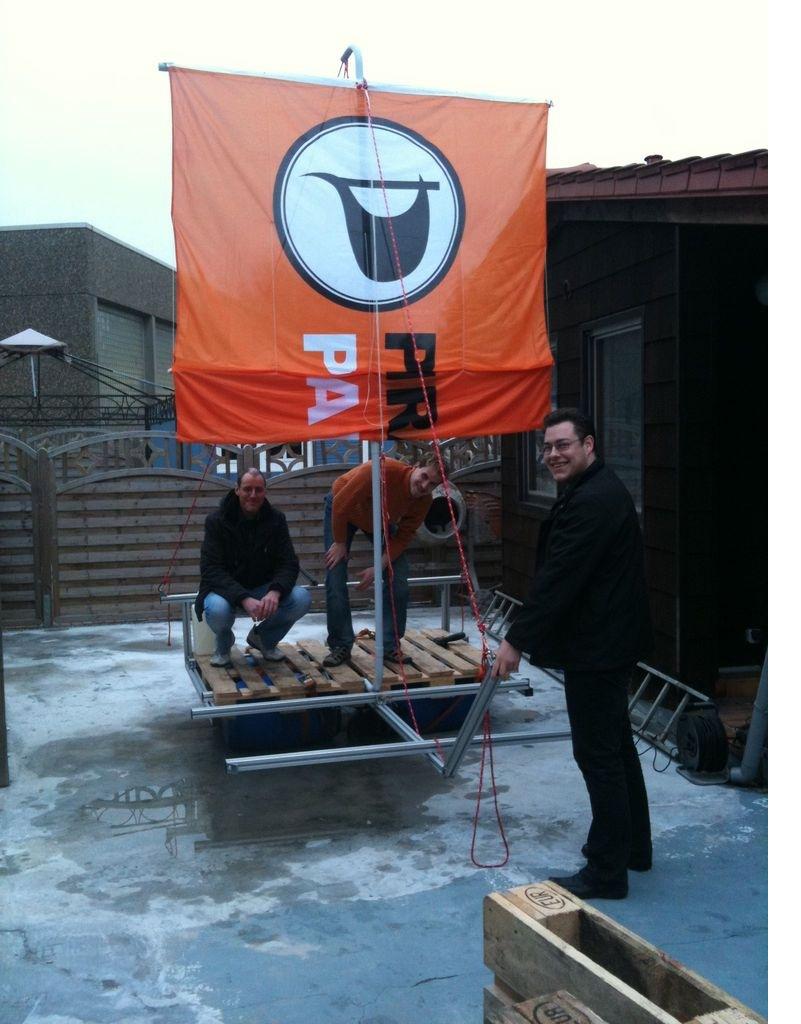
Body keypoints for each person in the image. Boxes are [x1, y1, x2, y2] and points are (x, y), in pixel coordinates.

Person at [491, 408, 653, 900]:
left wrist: (516, 639)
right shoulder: (591, 490)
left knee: (598, 755)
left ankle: (607, 872)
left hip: (599, 646)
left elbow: (560, 577)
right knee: (616, 746)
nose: (553, 455)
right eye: (547, 447)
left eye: (563, 444)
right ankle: (634, 848)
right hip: (608, 639)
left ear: (589, 445)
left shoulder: (593, 501)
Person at [322, 455, 443, 668]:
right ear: (415, 466)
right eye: (424, 476)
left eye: (433, 484)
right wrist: (340, 543)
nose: (425, 486)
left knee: (398, 575)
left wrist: (378, 567)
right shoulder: (379, 470)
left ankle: (389, 645)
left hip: (379, 519)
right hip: (342, 509)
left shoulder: (424, 501)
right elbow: (340, 504)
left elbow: (403, 537)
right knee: (335, 573)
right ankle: (340, 644)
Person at [195, 468, 311, 667]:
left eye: (258, 490)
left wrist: (275, 591)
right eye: (247, 489)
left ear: (265, 491)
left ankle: (264, 638)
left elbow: (289, 563)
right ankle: (223, 644)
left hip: (262, 588)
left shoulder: (276, 519)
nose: (253, 495)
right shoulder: (216, 521)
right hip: (224, 591)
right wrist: (243, 598)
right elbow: (210, 569)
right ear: (237, 490)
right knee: (218, 610)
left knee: (301, 598)